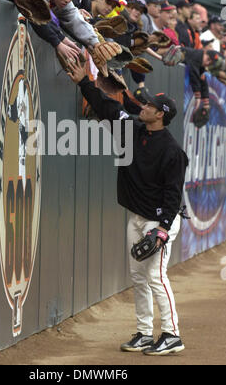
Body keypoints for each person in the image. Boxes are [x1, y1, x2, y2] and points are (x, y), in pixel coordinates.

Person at [66, 57, 188, 356]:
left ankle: (172, 334)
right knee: (138, 276)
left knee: (156, 276)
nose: (141, 107)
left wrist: (162, 229)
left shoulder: (172, 151)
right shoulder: (132, 130)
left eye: (147, 106)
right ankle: (145, 332)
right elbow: (108, 107)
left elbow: (173, 194)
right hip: (137, 217)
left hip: (160, 222)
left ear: (160, 115)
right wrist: (84, 81)